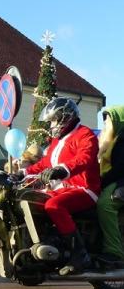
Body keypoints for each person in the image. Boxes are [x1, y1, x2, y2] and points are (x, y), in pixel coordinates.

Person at [23, 97, 101, 275]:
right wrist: (23, 172)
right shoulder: (57, 141)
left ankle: (80, 254)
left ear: (65, 117)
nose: (51, 125)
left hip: (84, 189)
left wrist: (61, 170)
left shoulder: (84, 134)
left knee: (54, 205)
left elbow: (85, 158)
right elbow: (45, 163)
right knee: (33, 200)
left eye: (53, 121)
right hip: (62, 189)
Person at [96, 105, 124, 266]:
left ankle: (114, 251)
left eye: (109, 120)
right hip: (115, 181)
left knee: (105, 204)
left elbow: (120, 167)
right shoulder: (113, 140)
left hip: (120, 182)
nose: (105, 124)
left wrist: (102, 181)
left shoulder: (122, 138)